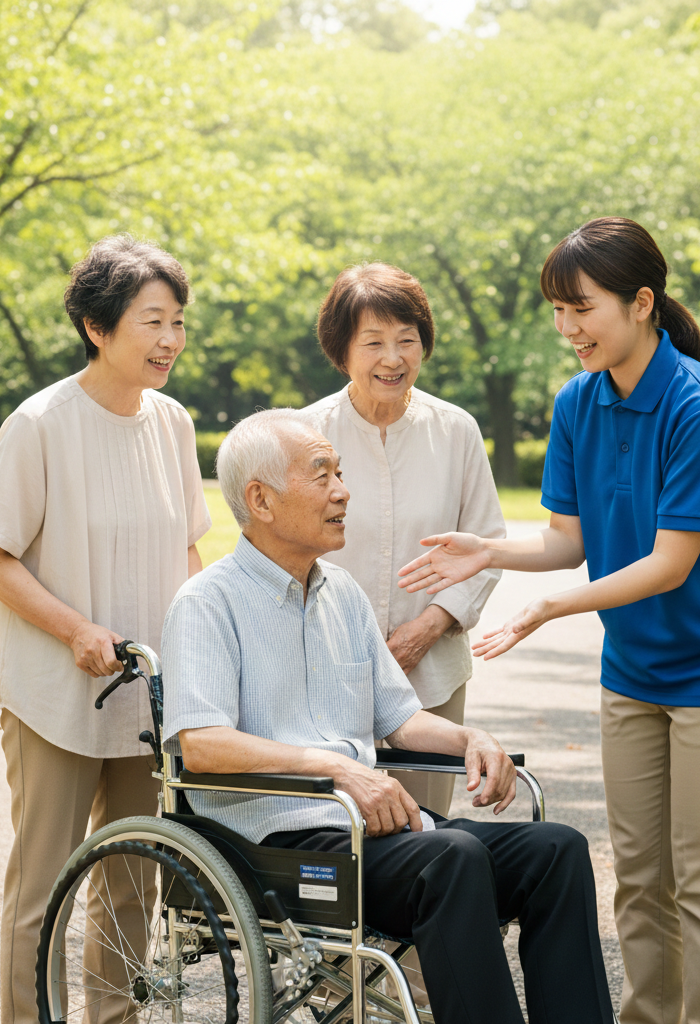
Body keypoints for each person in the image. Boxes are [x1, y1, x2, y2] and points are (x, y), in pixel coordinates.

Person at [398, 218, 700, 1024]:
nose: (568, 327)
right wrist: (488, 551)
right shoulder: (579, 401)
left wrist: (546, 608)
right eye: (559, 311)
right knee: (640, 879)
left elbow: (669, 563)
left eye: (583, 308)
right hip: (633, 674)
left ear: (641, 303)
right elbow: (568, 541)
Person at [160, 410, 615, 1024]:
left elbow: (399, 718)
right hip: (277, 846)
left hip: (369, 833)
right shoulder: (207, 602)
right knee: (452, 857)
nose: (343, 491)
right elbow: (203, 745)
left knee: (556, 849)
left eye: (340, 473)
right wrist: (339, 770)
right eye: (322, 475)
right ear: (260, 500)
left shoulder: (342, 593)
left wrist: (469, 737)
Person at [0, 235, 211, 1024]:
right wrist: (76, 629)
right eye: (152, 321)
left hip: (146, 694)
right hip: (55, 697)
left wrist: (200, 652)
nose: (170, 339)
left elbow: (188, 548)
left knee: (134, 882)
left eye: (178, 321)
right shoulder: (40, 424)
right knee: (43, 892)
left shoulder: (172, 423)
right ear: (97, 327)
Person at [301, 262, 504, 817]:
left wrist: (428, 627)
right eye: (373, 342)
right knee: (334, 829)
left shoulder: (456, 430)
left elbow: (487, 546)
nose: (392, 358)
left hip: (430, 674)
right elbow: (281, 551)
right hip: (323, 676)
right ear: (342, 350)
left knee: (426, 831)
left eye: (406, 340)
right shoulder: (305, 433)